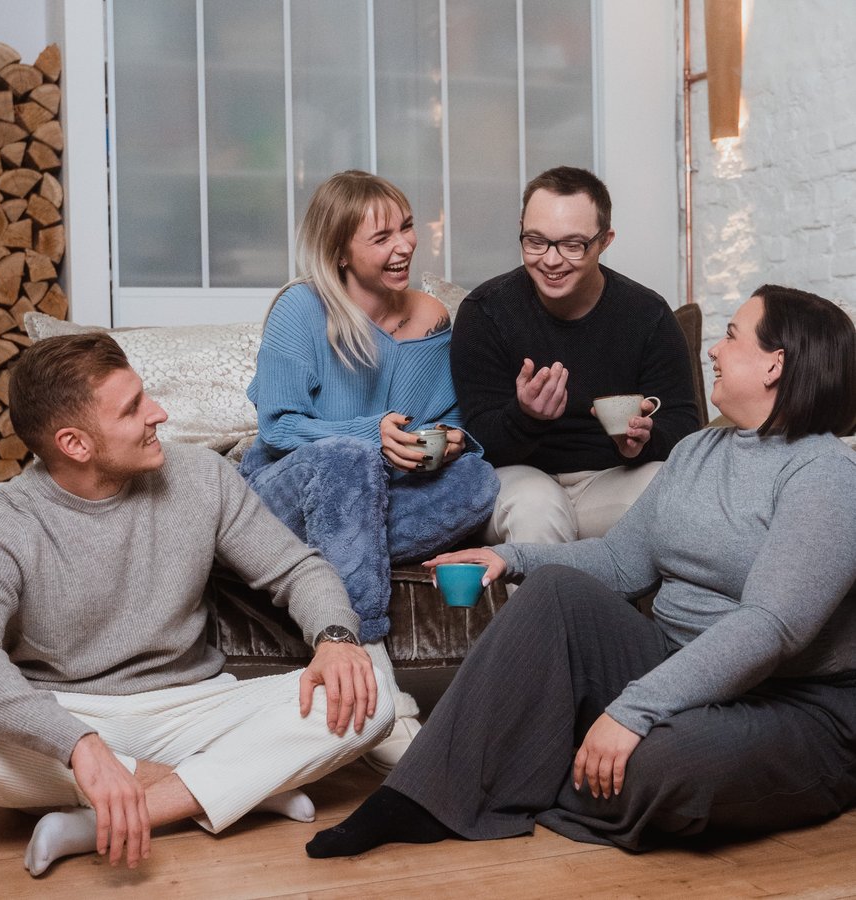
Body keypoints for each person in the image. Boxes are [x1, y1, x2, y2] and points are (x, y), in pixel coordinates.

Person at [306, 285, 856, 858]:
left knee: (659, 766)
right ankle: (420, 797)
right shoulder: (699, 450)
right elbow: (621, 561)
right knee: (555, 591)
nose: (715, 350)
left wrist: (632, 712)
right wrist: (511, 558)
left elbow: (769, 627)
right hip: (675, 665)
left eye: (733, 336)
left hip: (790, 703)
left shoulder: (825, 475)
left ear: (775, 364)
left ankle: (536, 769)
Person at [0, 333, 395, 877]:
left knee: (373, 696)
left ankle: (102, 819)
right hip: (64, 714)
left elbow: (295, 569)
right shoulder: (1, 527)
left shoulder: (201, 476)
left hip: (193, 708)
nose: (158, 413)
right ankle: (234, 784)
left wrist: (335, 638)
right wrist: (77, 744)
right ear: (75, 444)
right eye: (132, 408)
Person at [238, 170, 499, 771]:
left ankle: (340, 551)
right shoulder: (301, 309)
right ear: (340, 252)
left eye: (406, 228)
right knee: (350, 458)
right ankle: (373, 674)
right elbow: (277, 426)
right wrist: (368, 435)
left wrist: (453, 440)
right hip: (285, 491)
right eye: (381, 238)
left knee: (480, 481)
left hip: (377, 495)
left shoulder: (432, 317)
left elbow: (451, 417)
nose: (403, 246)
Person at [450, 166, 700, 546]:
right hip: (518, 478)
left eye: (572, 245)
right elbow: (477, 441)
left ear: (605, 241)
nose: (551, 261)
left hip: (609, 479)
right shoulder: (486, 311)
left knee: (674, 491)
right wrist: (526, 416)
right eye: (536, 241)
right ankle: (547, 589)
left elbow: (684, 426)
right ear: (521, 229)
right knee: (538, 509)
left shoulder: (647, 315)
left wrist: (643, 440)